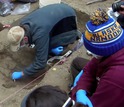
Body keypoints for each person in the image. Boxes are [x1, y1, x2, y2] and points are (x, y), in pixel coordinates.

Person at [7, 3, 81, 81]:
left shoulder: (39, 34)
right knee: (43, 42)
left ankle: (71, 36)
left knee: (48, 47)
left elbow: (40, 63)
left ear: (25, 38)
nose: (21, 46)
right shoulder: (23, 24)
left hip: (68, 18)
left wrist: (22, 73)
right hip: (59, 11)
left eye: (20, 43)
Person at [70, 8, 124, 107]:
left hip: (115, 90)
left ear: (102, 51)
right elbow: (89, 69)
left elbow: (94, 104)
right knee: (77, 62)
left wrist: (73, 98)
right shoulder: (113, 49)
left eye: (93, 51)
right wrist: (81, 89)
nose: (92, 54)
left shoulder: (115, 78)